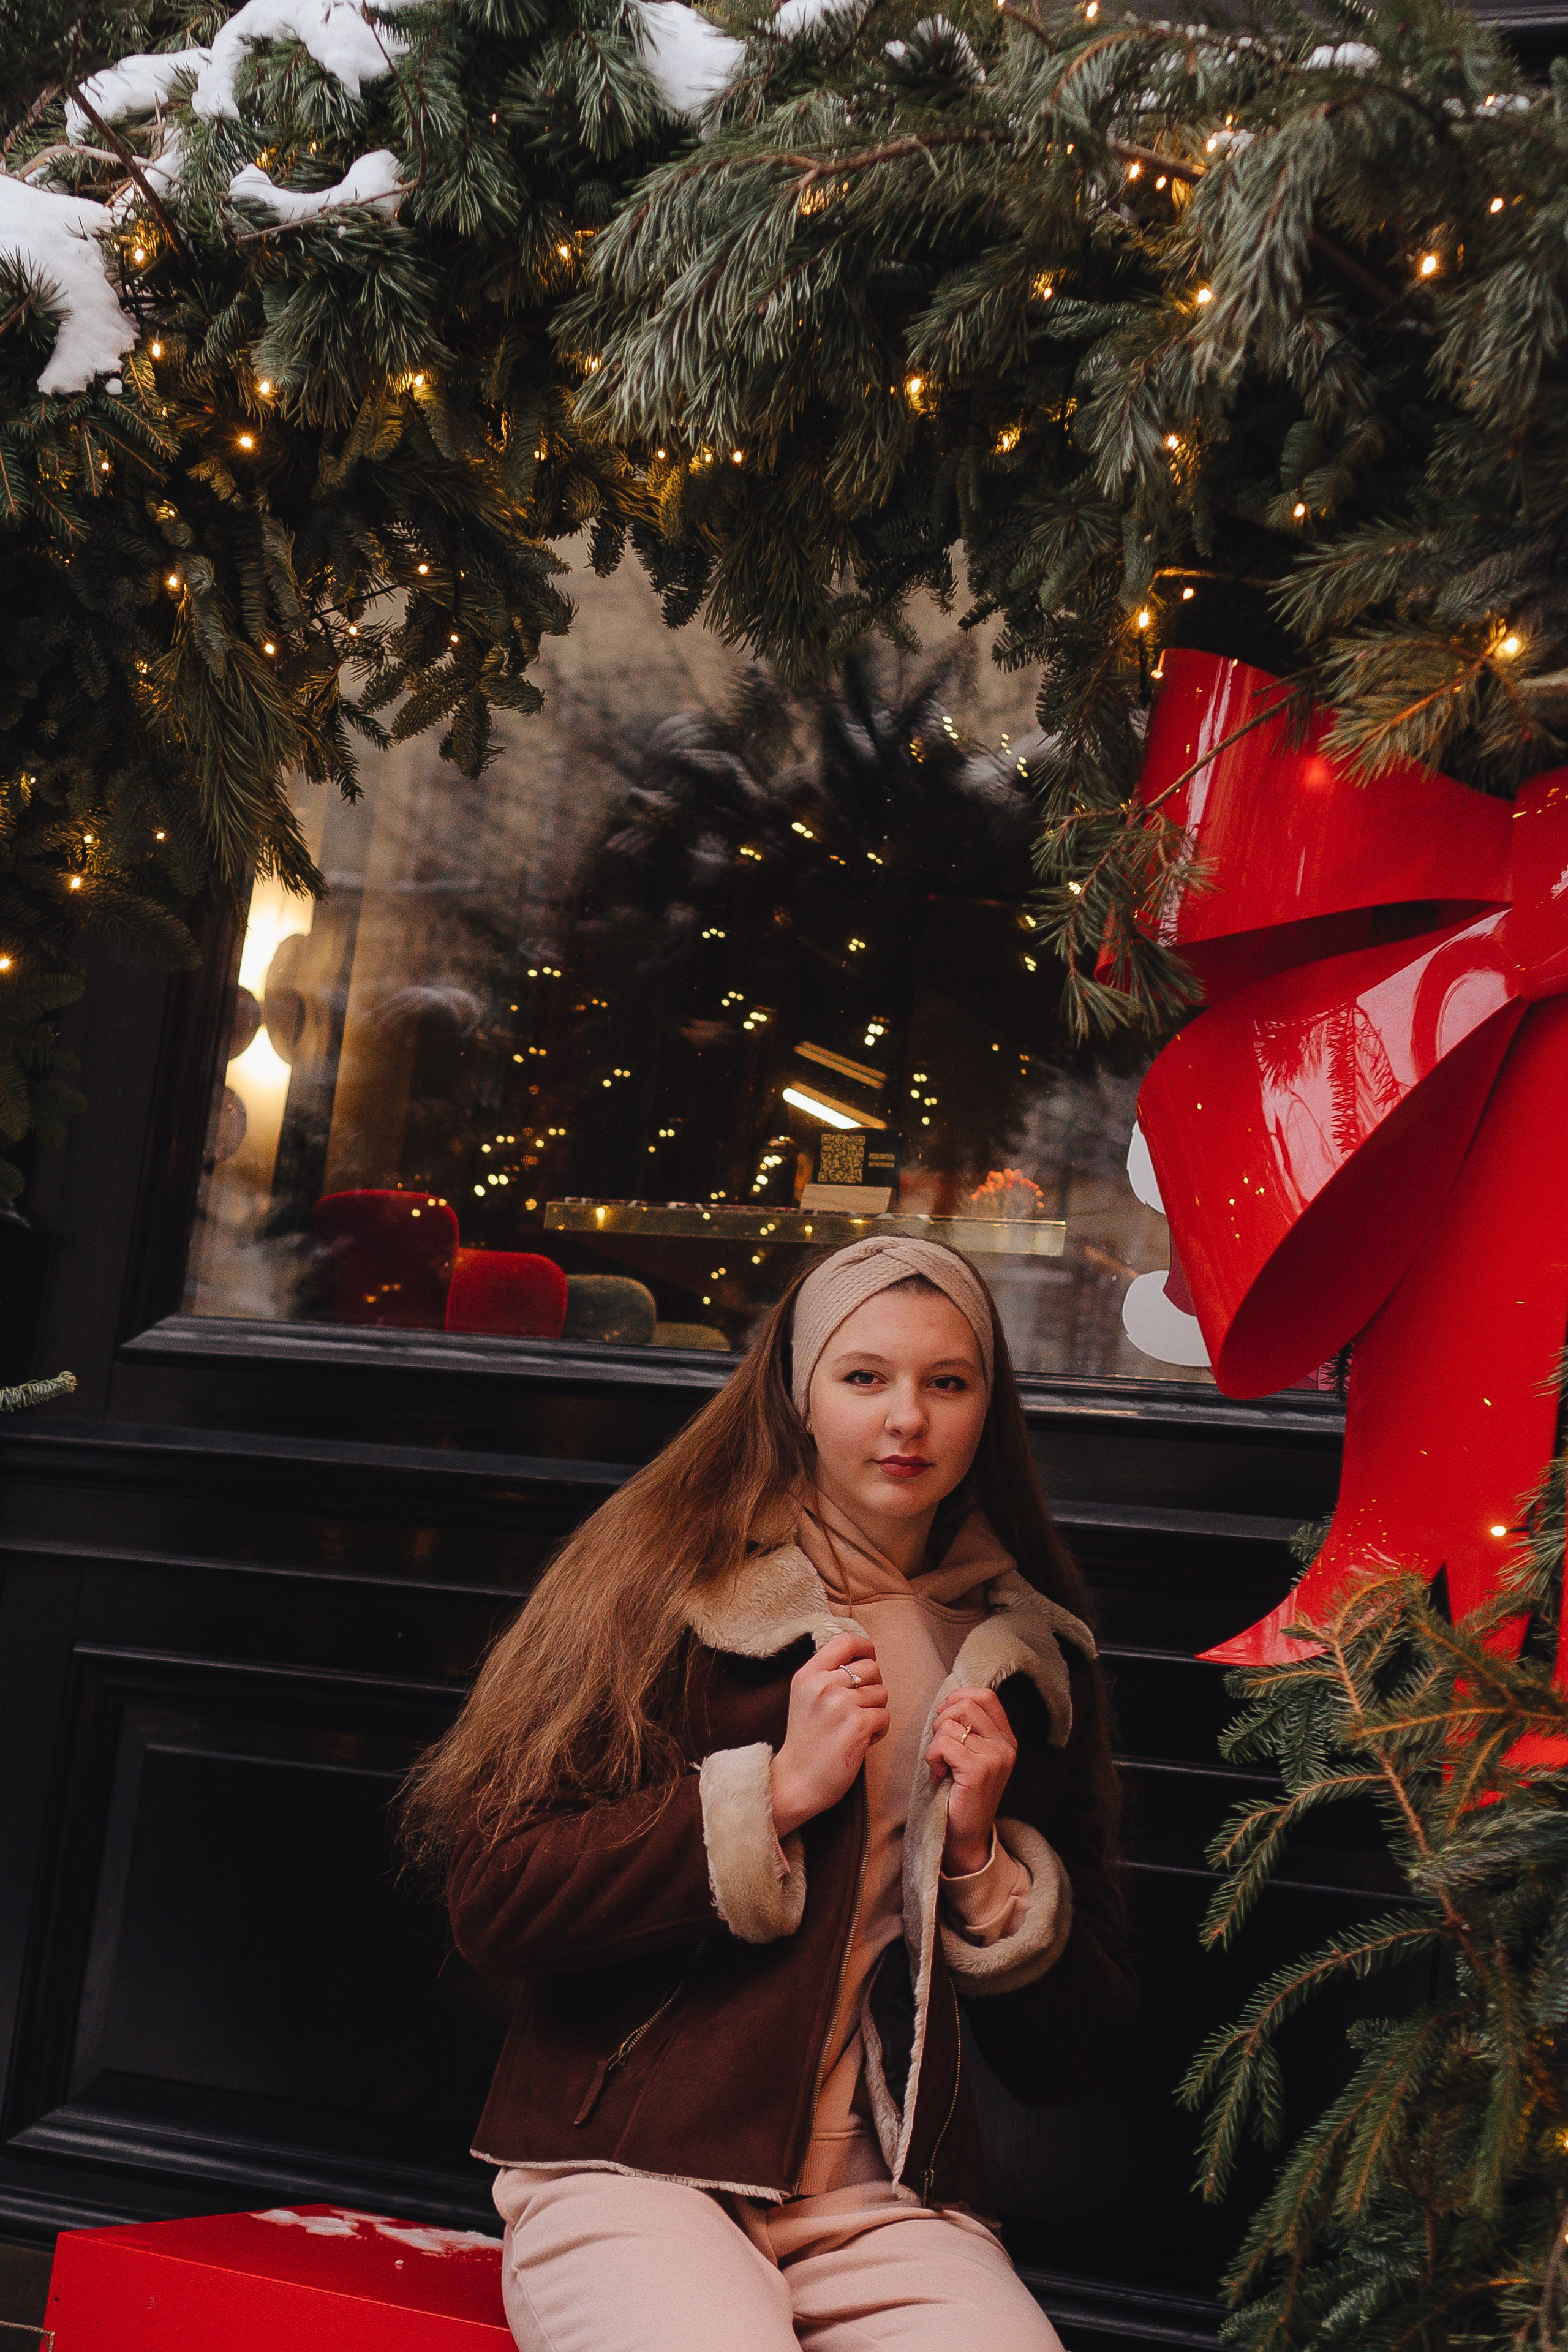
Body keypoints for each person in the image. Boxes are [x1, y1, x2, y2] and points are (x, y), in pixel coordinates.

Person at [402, 1234, 1132, 2351]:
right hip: (636, 2170)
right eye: (864, 1378)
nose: (908, 1420)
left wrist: (987, 1866)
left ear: (989, 1406)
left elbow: (1070, 2055)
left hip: (883, 2202)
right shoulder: (663, 1584)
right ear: (796, 1395)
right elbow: (495, 1898)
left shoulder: (1029, 1661)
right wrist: (772, 1796)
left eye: (948, 1383)